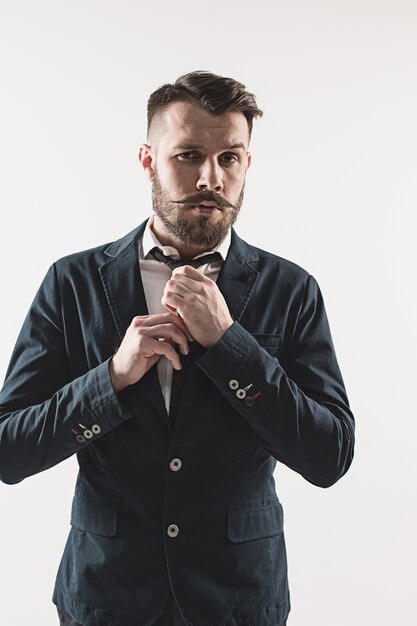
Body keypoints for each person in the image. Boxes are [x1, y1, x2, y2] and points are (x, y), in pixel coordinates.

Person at [0, 71, 355, 626]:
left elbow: (329, 456)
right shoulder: (71, 283)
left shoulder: (293, 290)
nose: (211, 178)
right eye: (188, 155)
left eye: (229, 158)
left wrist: (230, 345)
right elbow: (8, 450)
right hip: (105, 597)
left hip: (238, 600)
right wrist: (111, 377)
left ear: (247, 165)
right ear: (147, 160)